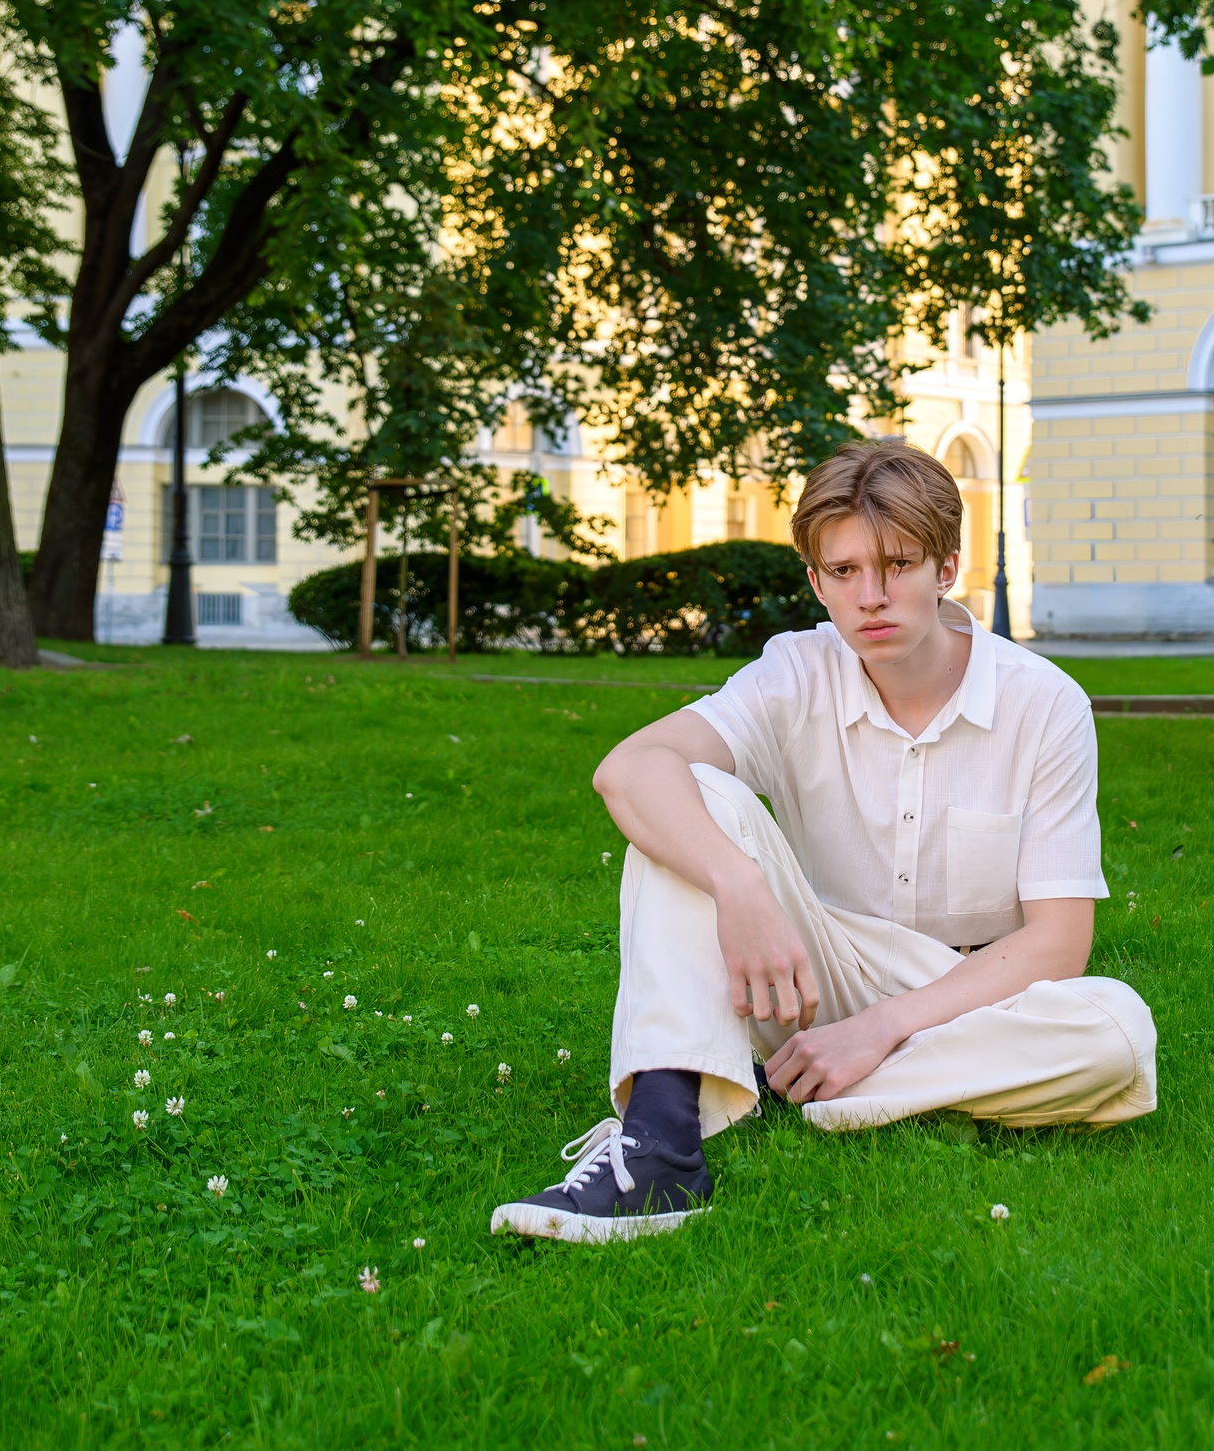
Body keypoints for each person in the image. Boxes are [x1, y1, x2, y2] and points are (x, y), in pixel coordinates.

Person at [490, 441, 1158, 1244]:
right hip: (804, 976)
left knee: (1117, 1031)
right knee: (690, 793)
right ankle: (661, 1148)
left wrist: (879, 1028)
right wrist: (740, 889)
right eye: (843, 572)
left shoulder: (1043, 703)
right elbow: (629, 768)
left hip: (962, 986)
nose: (870, 598)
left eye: (897, 564)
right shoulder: (795, 673)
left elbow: (1059, 941)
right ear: (816, 581)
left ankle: (815, 1080)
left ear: (947, 566)